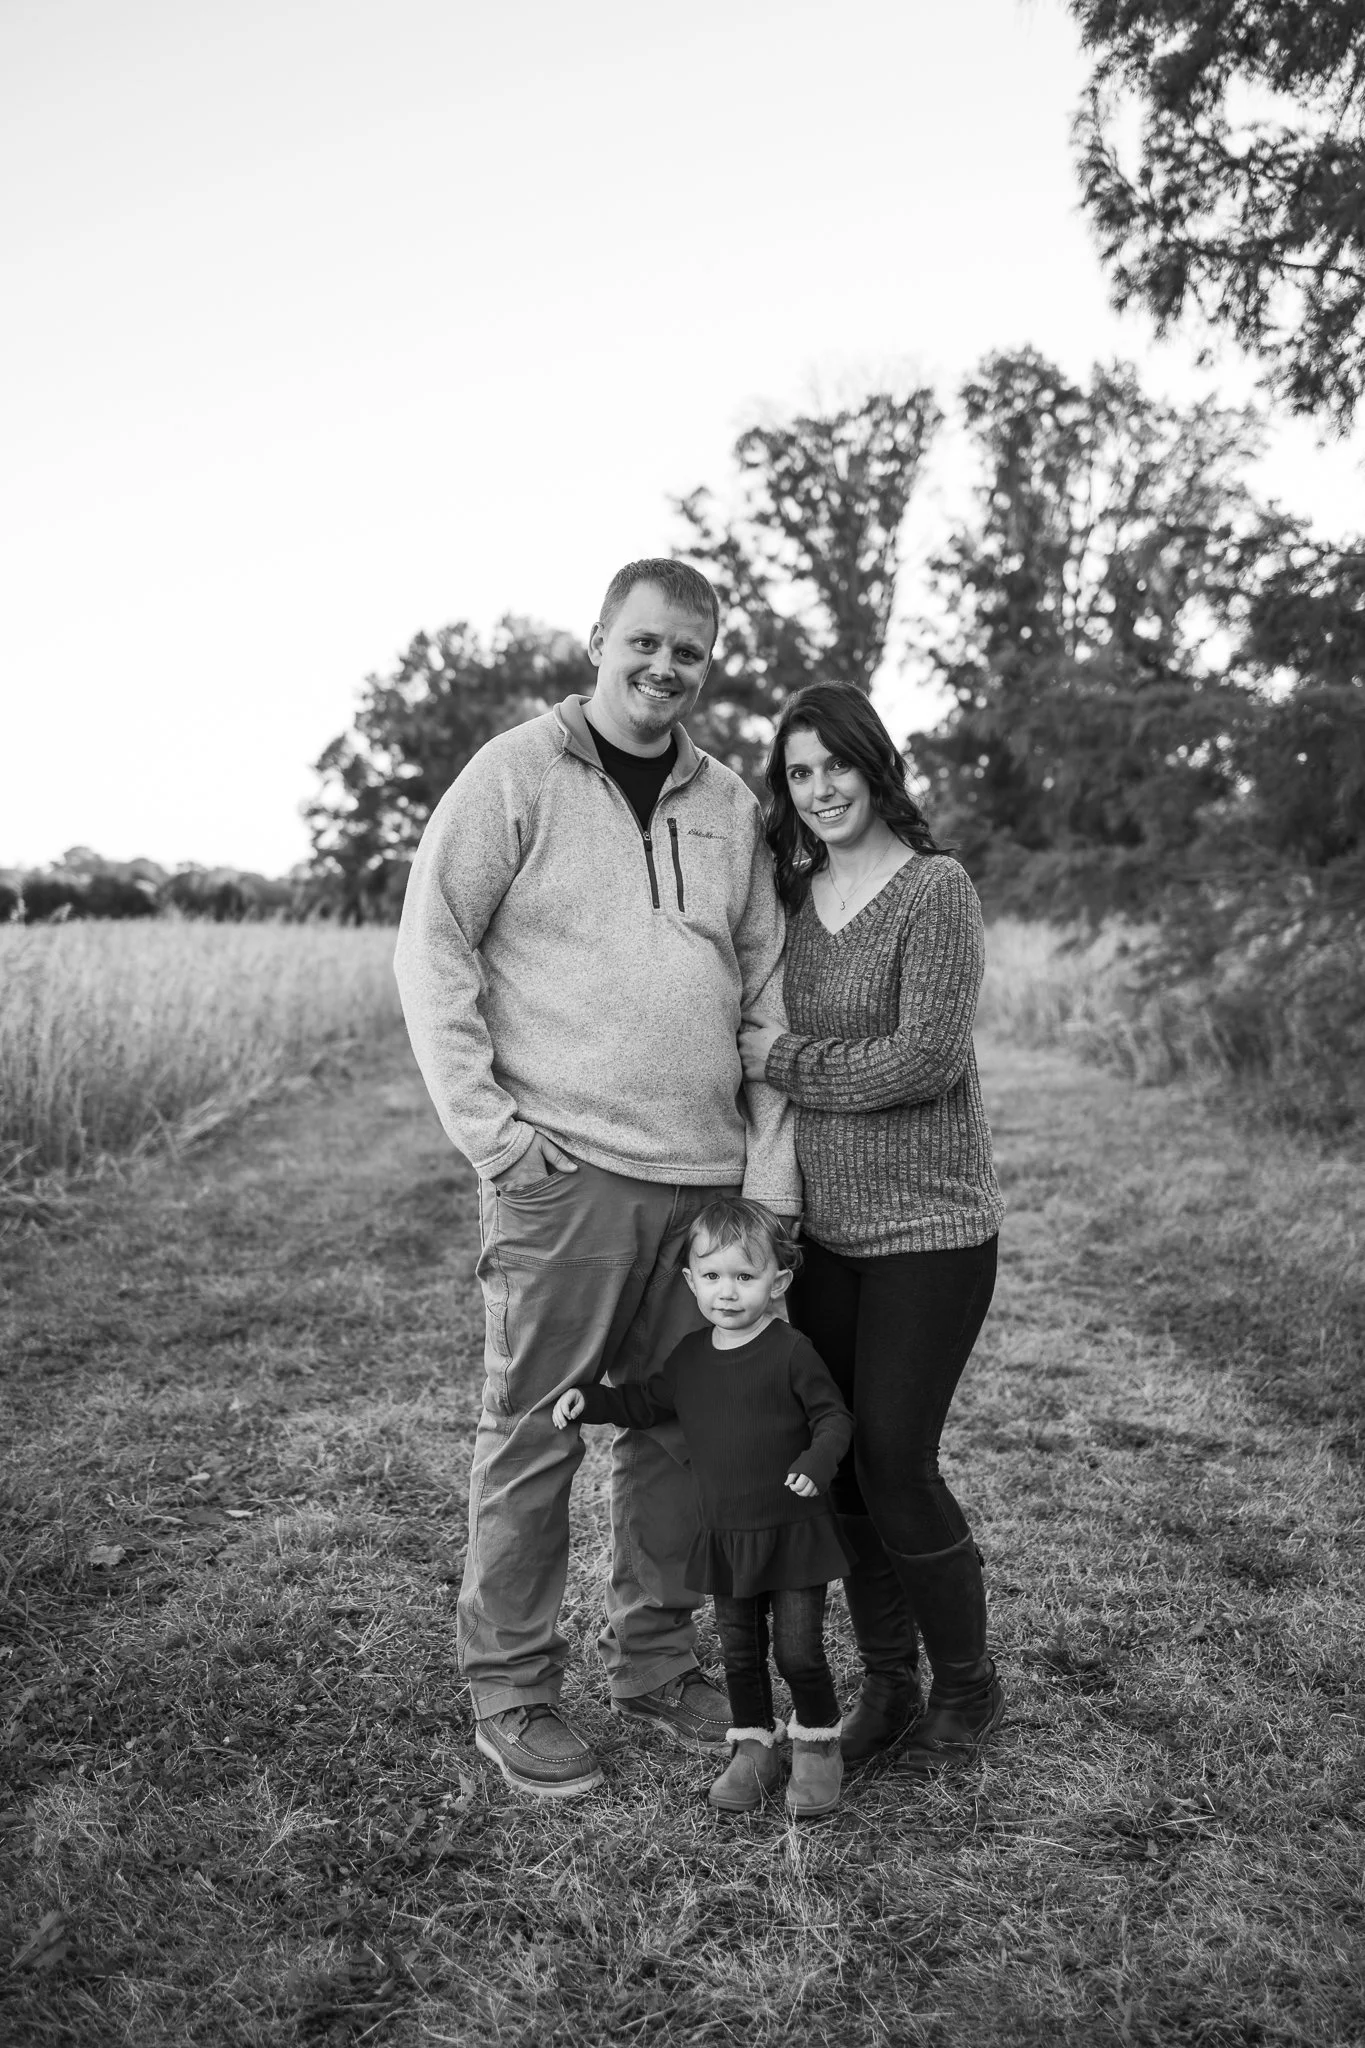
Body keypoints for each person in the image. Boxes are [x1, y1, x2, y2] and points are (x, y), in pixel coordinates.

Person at [394, 559, 800, 1801]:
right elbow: (432, 947)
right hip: (566, 1175)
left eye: (690, 651)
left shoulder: (729, 803)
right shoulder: (513, 773)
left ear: (707, 665)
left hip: (705, 1178)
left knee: (681, 1431)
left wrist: (765, 1170)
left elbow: (766, 990)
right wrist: (494, 1137)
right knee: (539, 1429)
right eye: (645, 641)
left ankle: (655, 1660)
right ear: (600, 640)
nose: (664, 667)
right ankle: (511, 1686)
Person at [739, 681, 1006, 1778]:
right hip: (829, 1238)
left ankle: (970, 1686)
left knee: (897, 1459)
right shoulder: (795, 899)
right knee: (841, 1467)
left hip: (932, 1230)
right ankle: (889, 1686)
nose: (819, 789)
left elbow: (923, 1059)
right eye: (799, 773)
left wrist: (782, 1060)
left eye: (835, 764)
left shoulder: (934, 890)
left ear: (875, 764)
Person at [553, 1197, 854, 1818]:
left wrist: (816, 1462)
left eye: (745, 1276)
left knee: (797, 1652)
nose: (728, 1291)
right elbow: (646, 1404)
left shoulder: (791, 1350)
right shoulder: (691, 1357)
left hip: (792, 1530)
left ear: (778, 1284)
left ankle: (818, 1743)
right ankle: (753, 1747)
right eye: (713, 1276)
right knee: (740, 1653)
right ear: (691, 1282)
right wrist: (592, 1399)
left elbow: (833, 1418)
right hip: (726, 1534)